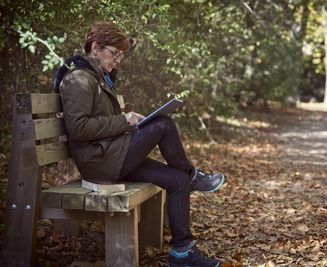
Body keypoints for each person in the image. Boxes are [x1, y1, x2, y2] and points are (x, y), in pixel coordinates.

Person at [53, 21, 224, 267]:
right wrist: (124, 120)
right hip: (100, 162)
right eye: (114, 54)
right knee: (163, 124)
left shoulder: (98, 78)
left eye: (120, 56)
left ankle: (182, 254)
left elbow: (101, 123)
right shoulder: (79, 78)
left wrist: (130, 123)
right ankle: (193, 174)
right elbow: (79, 128)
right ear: (95, 47)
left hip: (112, 154)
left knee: (177, 181)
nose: (117, 61)